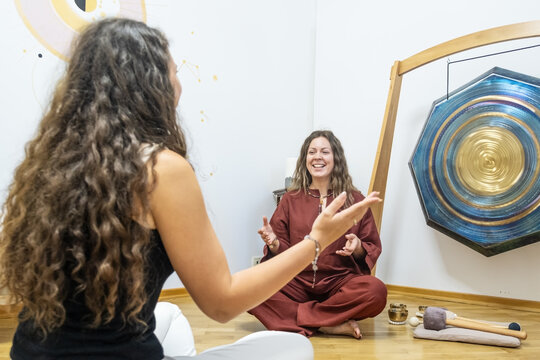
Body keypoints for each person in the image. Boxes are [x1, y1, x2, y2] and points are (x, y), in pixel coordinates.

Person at [0, 18, 382, 359]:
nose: (179, 83)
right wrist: (316, 241)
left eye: (324, 152)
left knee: (166, 314)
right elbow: (222, 303)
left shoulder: (48, 166)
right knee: (294, 349)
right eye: (174, 71)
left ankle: (310, 318)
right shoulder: (161, 168)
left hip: (30, 350)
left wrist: (356, 247)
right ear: (153, 85)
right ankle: (310, 324)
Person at [249, 130, 387, 339]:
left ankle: (302, 319)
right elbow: (282, 253)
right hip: (296, 281)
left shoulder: (355, 200)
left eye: (325, 151)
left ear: (336, 159)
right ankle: (328, 324)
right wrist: (275, 243)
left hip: (339, 283)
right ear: (305, 159)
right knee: (251, 287)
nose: (318, 157)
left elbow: (371, 245)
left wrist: (358, 246)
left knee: (375, 291)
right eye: (312, 152)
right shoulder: (290, 199)